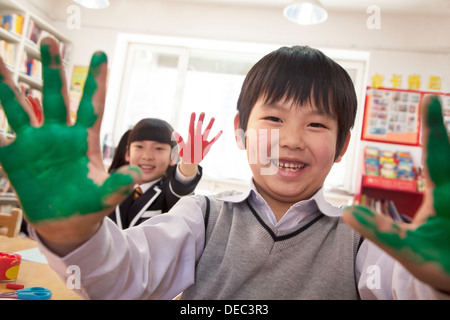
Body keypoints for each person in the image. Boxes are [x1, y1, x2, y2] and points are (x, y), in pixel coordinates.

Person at [0, 38, 449, 299]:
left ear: (341, 146)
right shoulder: (202, 216)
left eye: (316, 124)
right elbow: (126, 276)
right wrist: (72, 236)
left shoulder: (360, 240)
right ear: (240, 131)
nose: (291, 139)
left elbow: (406, 288)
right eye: (273, 119)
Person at [108, 115, 221, 229]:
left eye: (158, 148)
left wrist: (189, 163)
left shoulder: (169, 193)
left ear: (173, 156)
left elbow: (181, 189)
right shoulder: (111, 185)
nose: (147, 156)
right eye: (139, 146)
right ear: (128, 153)